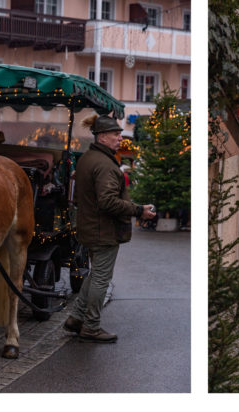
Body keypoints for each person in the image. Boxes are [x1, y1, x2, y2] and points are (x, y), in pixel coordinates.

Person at [63, 115, 156, 343]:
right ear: (102, 137)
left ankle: (75, 318)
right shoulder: (104, 164)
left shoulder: (87, 158)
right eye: (115, 134)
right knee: (101, 278)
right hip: (102, 230)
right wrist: (138, 210)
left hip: (90, 227)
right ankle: (91, 326)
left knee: (96, 275)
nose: (119, 138)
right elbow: (107, 202)